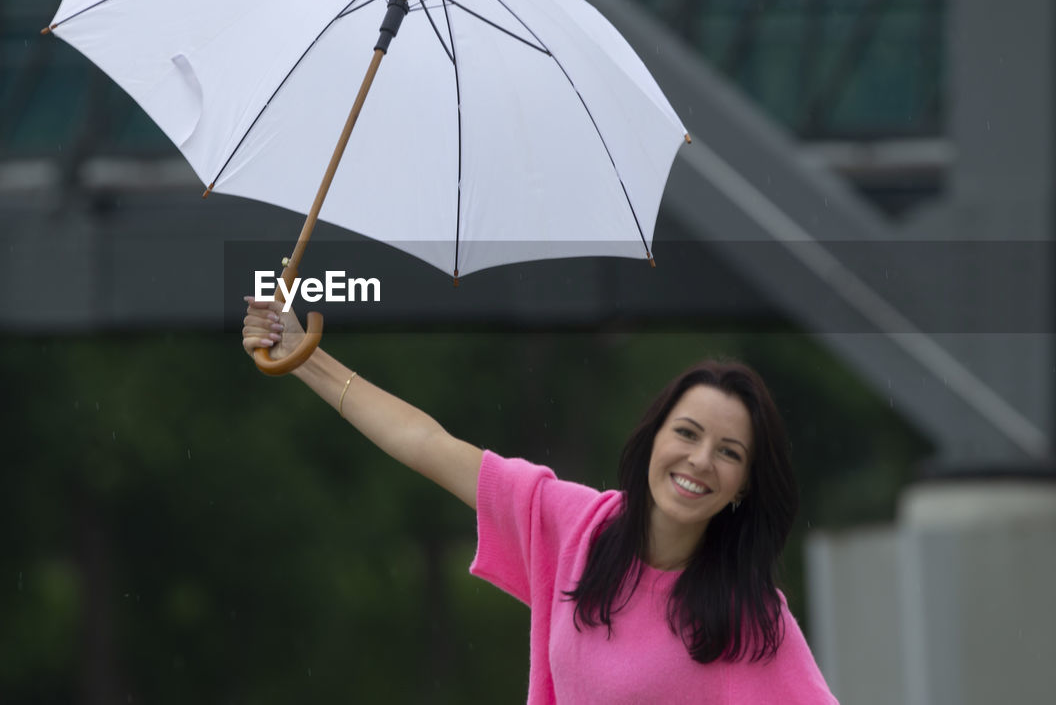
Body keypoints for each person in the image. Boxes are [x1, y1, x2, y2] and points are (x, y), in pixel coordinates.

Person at [241, 297, 838, 704]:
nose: (700, 461)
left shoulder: (753, 618)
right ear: (653, 437)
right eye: (686, 433)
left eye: (729, 453)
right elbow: (425, 443)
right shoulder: (575, 524)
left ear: (744, 487)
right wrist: (305, 358)